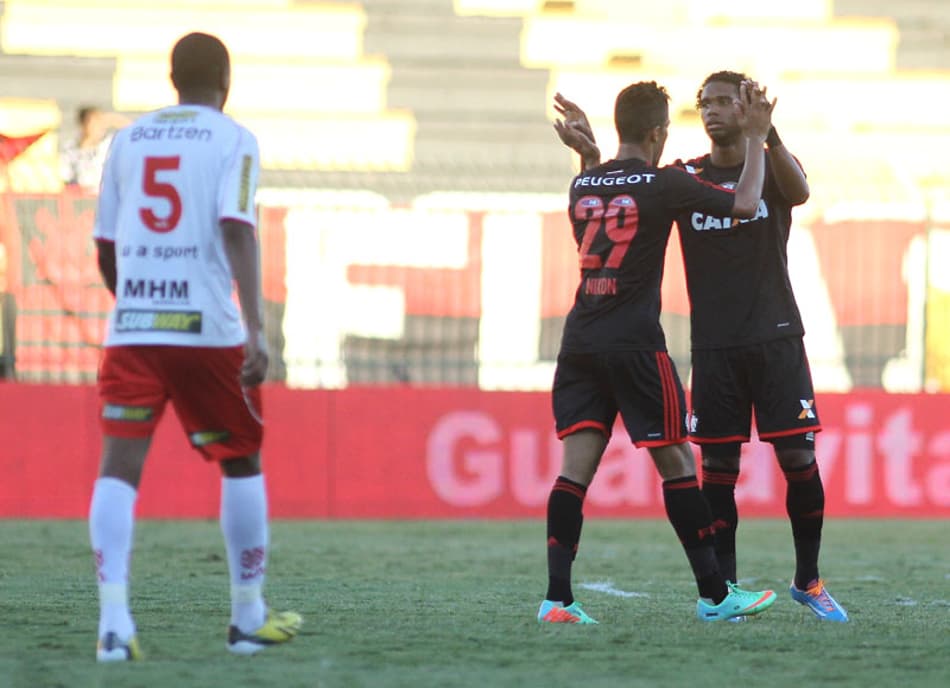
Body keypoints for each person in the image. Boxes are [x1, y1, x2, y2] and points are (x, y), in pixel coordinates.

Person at [553, 71, 848, 623]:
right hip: (714, 345)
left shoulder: (771, 166)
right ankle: (726, 589)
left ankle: (808, 580)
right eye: (704, 102)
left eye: (723, 101)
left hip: (777, 334)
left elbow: (801, 193)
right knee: (717, 466)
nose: (711, 110)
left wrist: (767, 133)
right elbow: (622, 206)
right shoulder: (682, 177)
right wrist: (591, 161)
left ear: (748, 108)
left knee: (798, 459)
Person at [89, 32, 302, 662]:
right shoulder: (234, 138)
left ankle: (113, 626)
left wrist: (133, 301)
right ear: (226, 82)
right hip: (205, 328)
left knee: (117, 470)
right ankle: (246, 618)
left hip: (133, 329)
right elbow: (236, 227)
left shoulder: (127, 139)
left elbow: (105, 245)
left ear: (172, 80)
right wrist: (256, 328)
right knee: (240, 459)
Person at [60, 106, 128, 190]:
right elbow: (65, 177)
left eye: (101, 122)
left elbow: (134, 133)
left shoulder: (108, 144)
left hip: (102, 193)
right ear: (84, 124)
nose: (100, 127)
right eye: (95, 123)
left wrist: (113, 119)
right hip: (79, 194)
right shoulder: (70, 148)